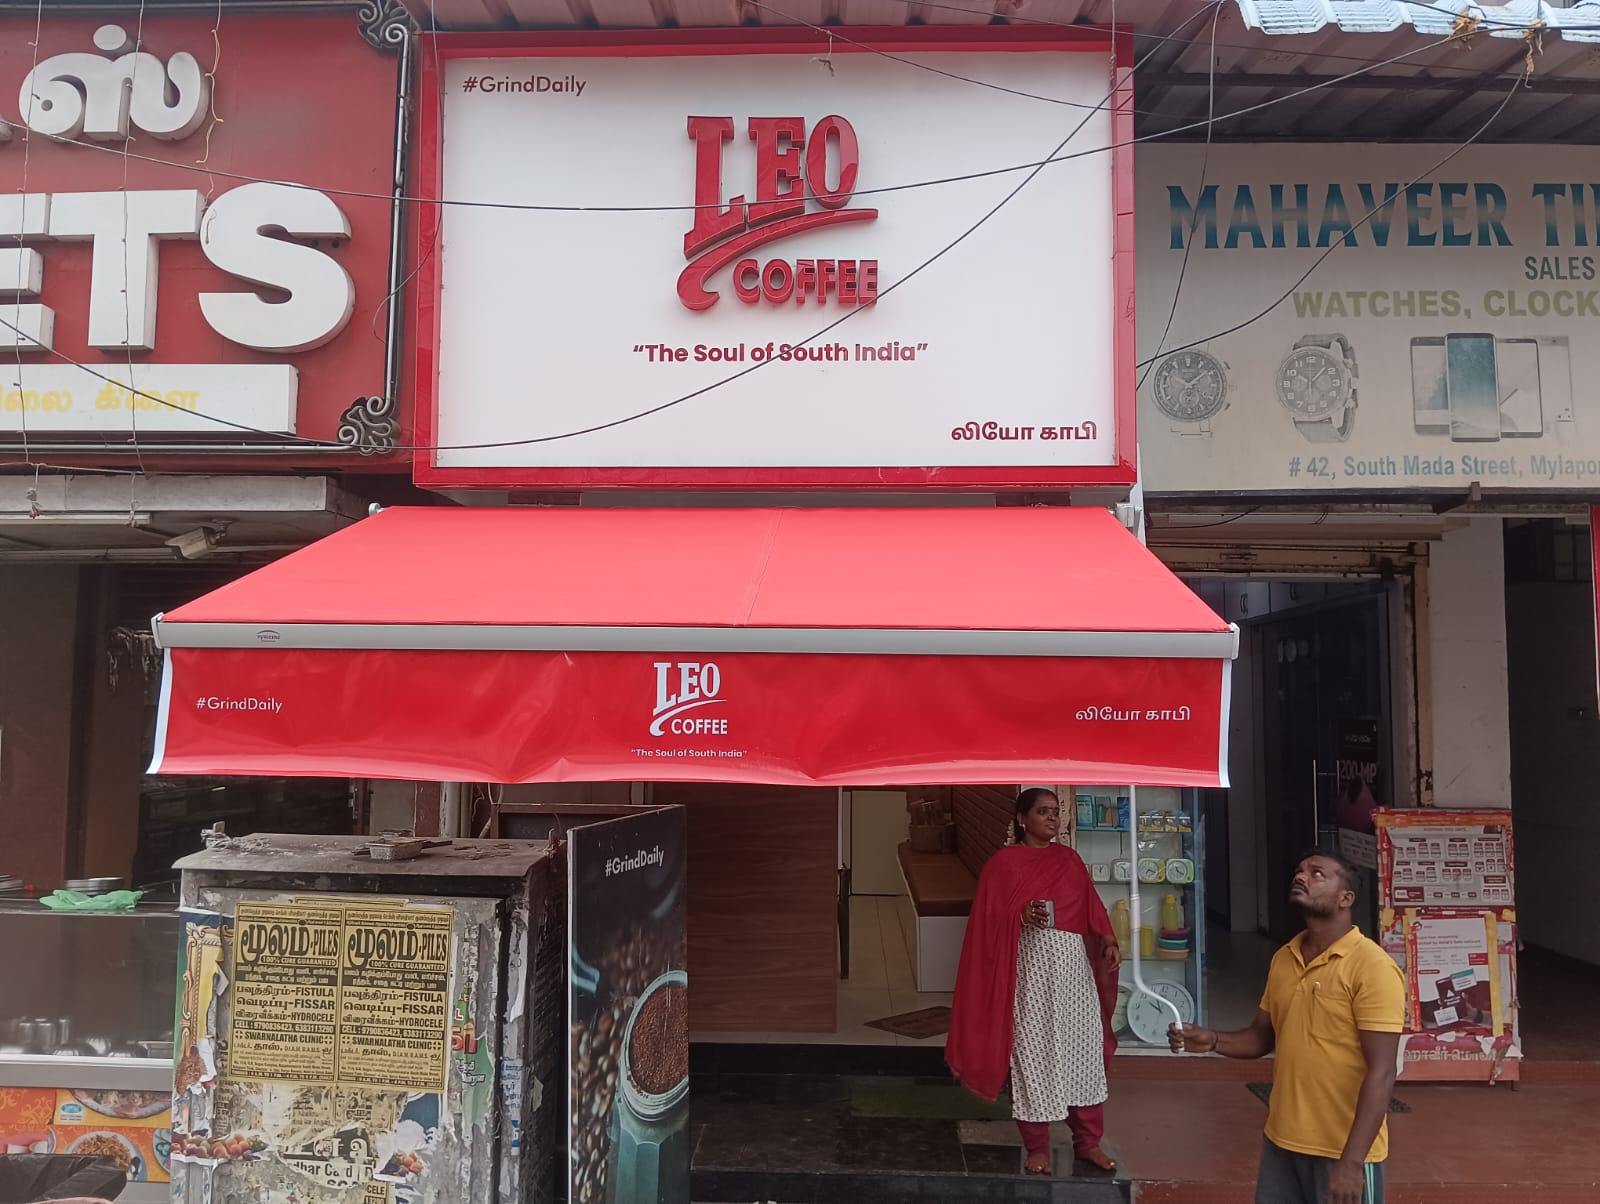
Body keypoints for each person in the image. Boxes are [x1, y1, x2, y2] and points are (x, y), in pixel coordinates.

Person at [1167, 850, 1405, 1204]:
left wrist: (1352, 1163)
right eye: (1300, 870)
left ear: (1346, 898)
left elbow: (1383, 1073)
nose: (1302, 876)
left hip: (1342, 1149)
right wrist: (1211, 1039)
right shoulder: (1285, 957)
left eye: (1317, 873)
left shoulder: (1371, 967)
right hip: (1282, 1141)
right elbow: (1262, 1037)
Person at [946, 787, 1122, 1175]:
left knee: (1084, 1054)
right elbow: (987, 921)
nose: (1052, 819)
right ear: (1022, 818)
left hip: (1073, 976)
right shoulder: (1004, 864)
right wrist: (1018, 916)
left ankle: (1087, 1142)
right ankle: (1037, 1145)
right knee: (1032, 1054)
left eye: (1056, 812)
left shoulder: (1070, 860)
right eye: (1043, 812)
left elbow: (1091, 905)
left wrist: (1108, 938)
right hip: (1029, 977)